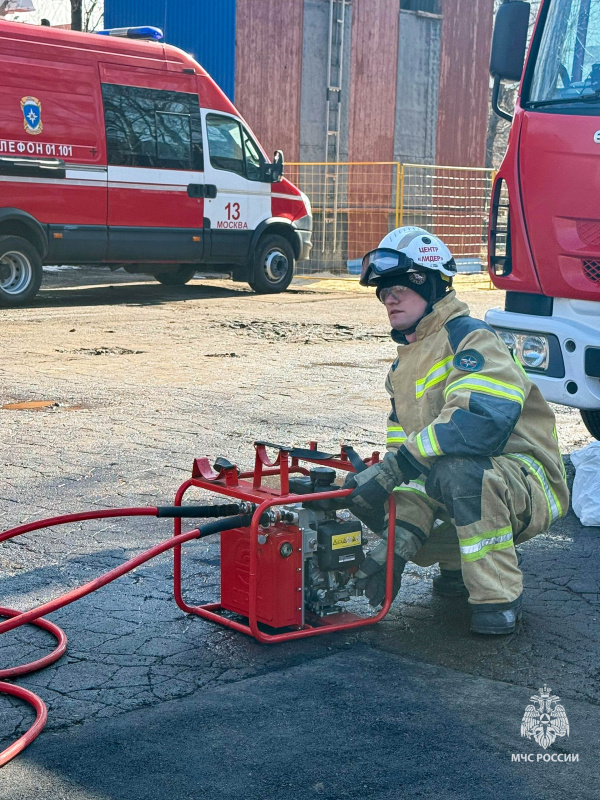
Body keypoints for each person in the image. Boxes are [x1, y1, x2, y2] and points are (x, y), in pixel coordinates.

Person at [345, 226, 569, 635]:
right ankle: (457, 567)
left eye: (399, 287)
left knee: (458, 472)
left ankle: (497, 597)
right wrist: (396, 545)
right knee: (368, 490)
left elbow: (478, 424)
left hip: (528, 481)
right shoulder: (401, 369)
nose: (388, 298)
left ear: (430, 284)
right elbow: (411, 472)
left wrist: (398, 467)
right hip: (472, 478)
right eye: (383, 291)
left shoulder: (471, 339)